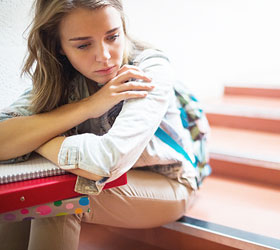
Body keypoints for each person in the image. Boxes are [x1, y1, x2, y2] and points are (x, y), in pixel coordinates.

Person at [0, 0, 201, 249]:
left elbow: (105, 163)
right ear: (58, 46)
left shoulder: (148, 69)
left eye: (113, 36)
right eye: (84, 45)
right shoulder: (61, 77)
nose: (104, 56)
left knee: (57, 202)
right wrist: (90, 106)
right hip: (107, 181)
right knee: (19, 197)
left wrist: (37, 138)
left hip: (169, 183)